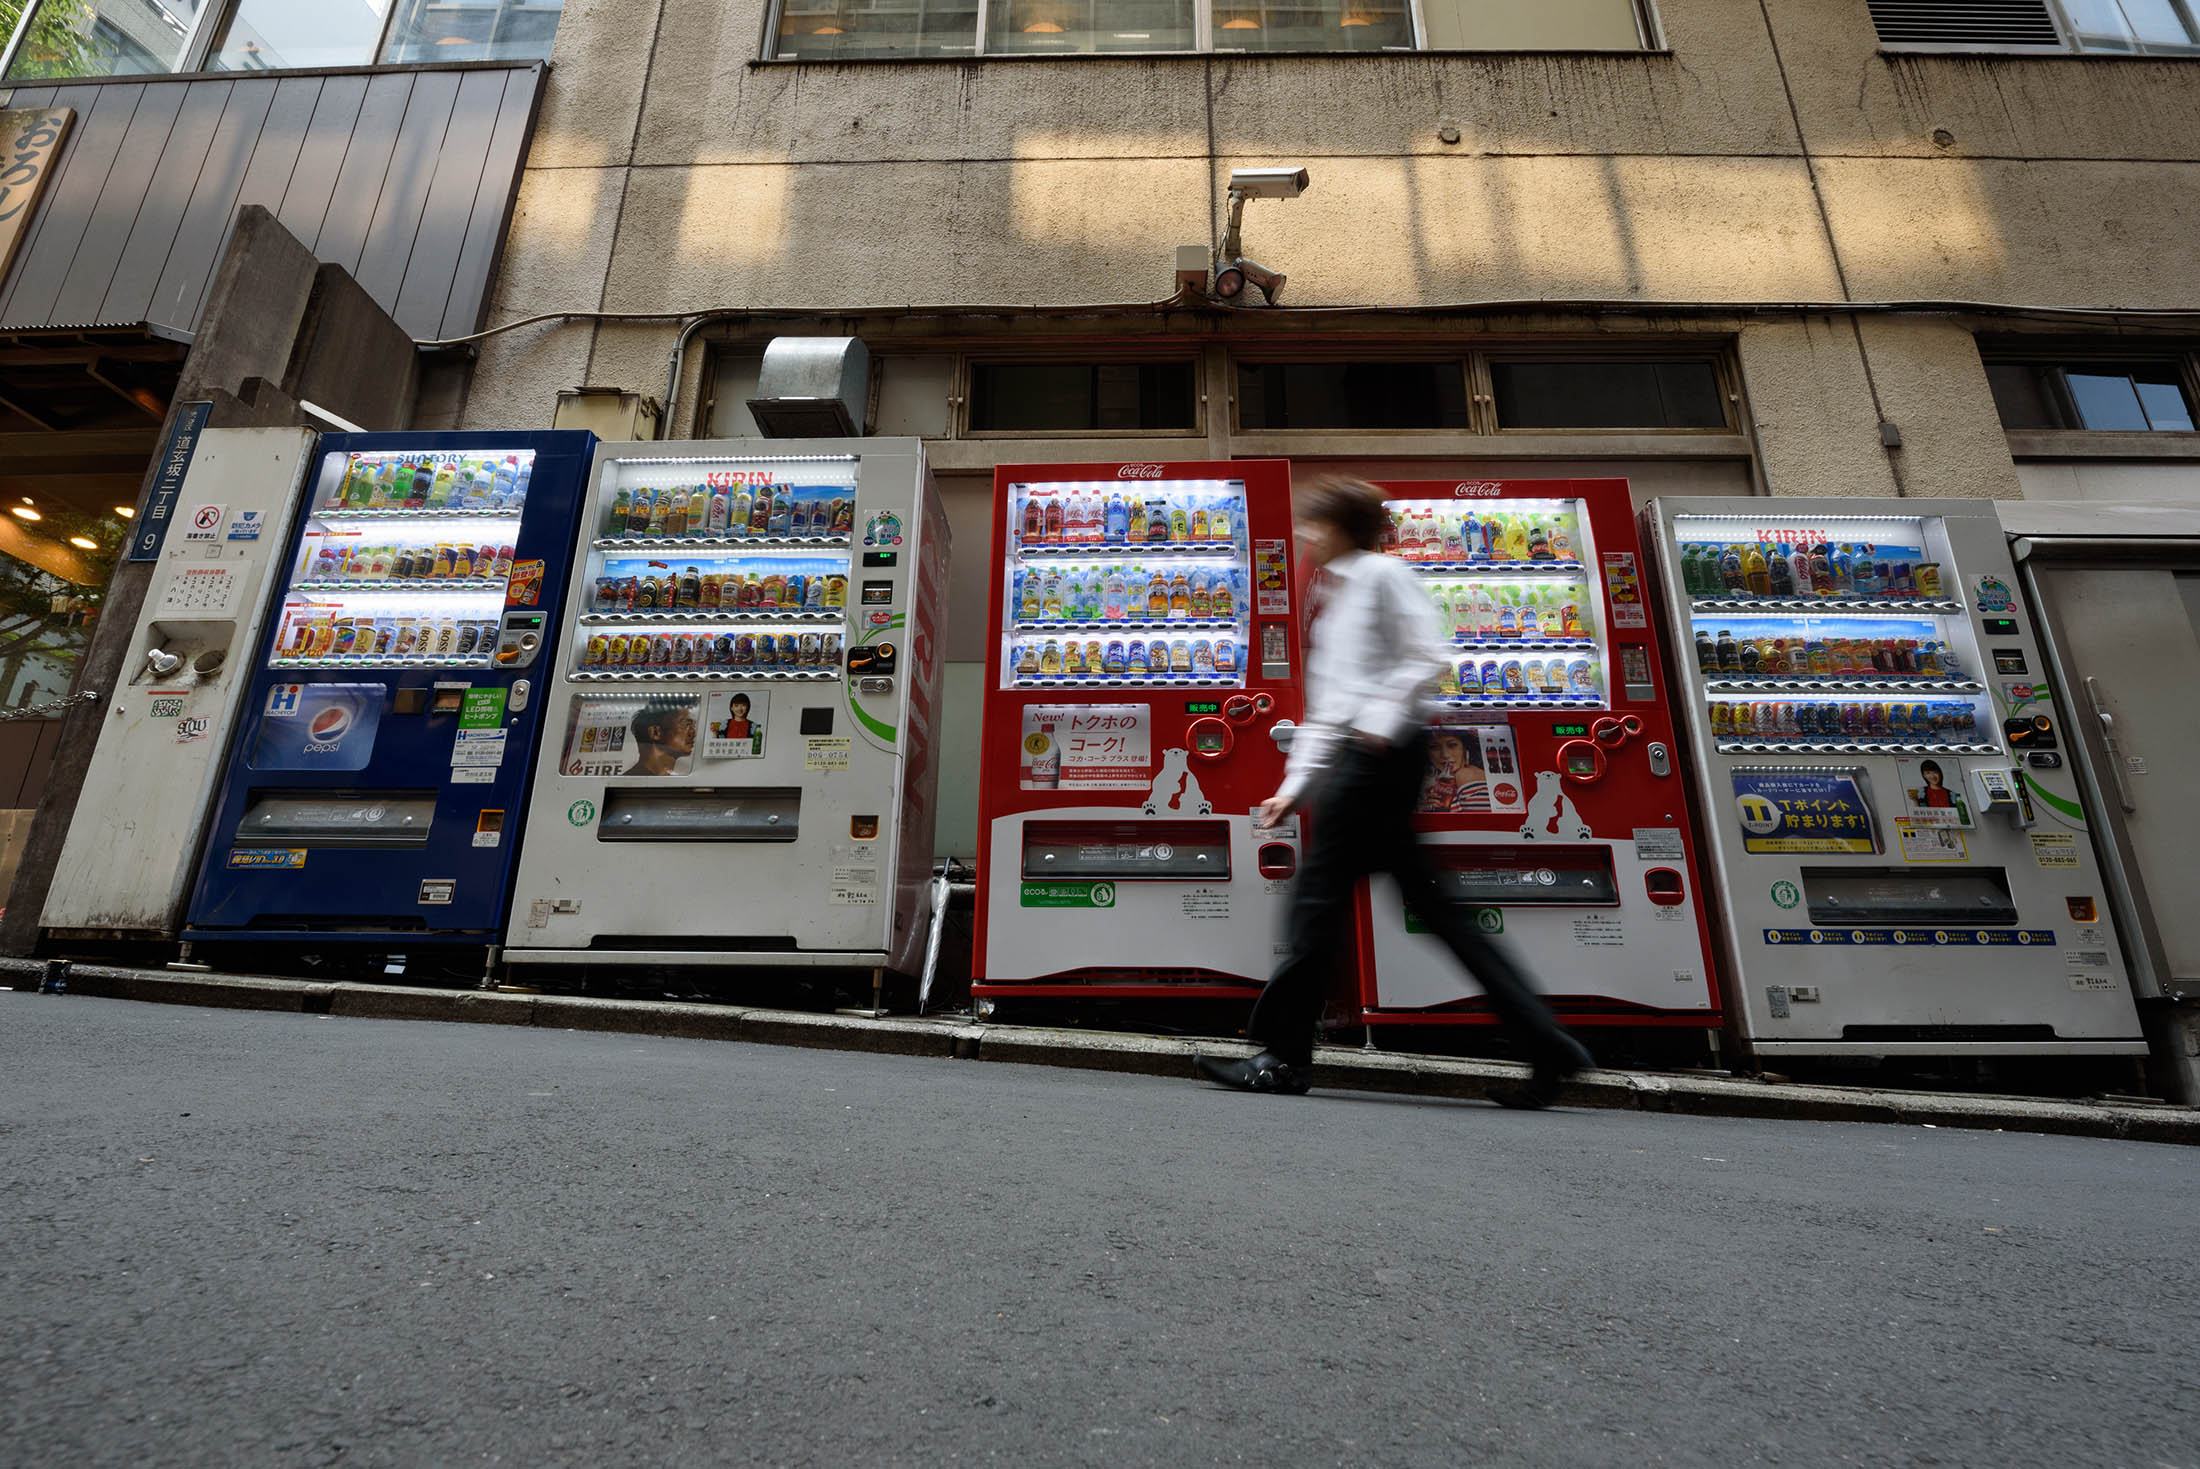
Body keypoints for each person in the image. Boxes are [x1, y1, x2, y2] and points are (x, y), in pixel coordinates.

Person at [1196, 478, 1593, 1107]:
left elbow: (1428, 655)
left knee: (1316, 907)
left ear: (1342, 528)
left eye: (1314, 524)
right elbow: (1327, 710)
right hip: (1361, 759)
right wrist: (1292, 788)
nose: (1304, 535)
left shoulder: (1381, 576)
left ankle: (1282, 1058)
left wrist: (1377, 729)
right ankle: (1547, 1046)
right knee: (1436, 909)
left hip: (1379, 759)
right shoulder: (1336, 592)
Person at [626, 703, 697, 777]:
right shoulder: (628, 784)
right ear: (655, 732)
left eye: (693, 725)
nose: (693, 733)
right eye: (686, 724)